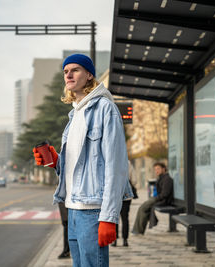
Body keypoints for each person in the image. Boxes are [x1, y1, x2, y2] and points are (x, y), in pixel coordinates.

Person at [33, 54, 133, 267]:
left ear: (89, 75)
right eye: (65, 71)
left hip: (93, 210)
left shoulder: (106, 109)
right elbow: (78, 167)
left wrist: (108, 217)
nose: (68, 74)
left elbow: (116, 166)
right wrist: (54, 160)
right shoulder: (74, 116)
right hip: (73, 208)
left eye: (75, 69)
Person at [132, 162, 173, 235]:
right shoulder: (161, 178)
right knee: (143, 208)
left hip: (163, 201)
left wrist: (155, 198)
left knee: (143, 208)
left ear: (163, 169)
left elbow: (165, 194)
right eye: (155, 169)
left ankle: (138, 230)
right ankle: (138, 230)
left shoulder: (167, 179)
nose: (156, 171)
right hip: (159, 199)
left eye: (158, 169)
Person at [112, 160, 138, 247]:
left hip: (114, 194)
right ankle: (125, 240)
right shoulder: (127, 162)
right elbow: (134, 180)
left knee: (114, 217)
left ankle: (114, 240)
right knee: (125, 217)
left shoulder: (111, 161)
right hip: (126, 194)